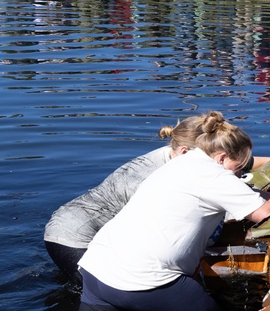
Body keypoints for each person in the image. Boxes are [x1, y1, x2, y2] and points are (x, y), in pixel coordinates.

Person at [74, 112, 270, 311]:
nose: (239, 176)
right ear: (222, 158)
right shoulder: (216, 177)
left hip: (99, 271)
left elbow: (247, 195)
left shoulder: (184, 161)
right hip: (151, 283)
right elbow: (266, 215)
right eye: (238, 169)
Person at [44, 115, 206, 286]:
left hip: (84, 226)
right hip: (72, 237)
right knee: (99, 294)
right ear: (185, 151)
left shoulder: (170, 155)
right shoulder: (151, 177)